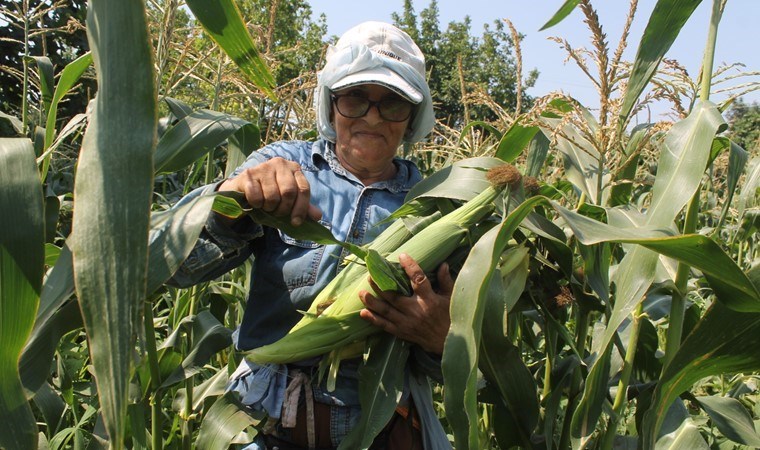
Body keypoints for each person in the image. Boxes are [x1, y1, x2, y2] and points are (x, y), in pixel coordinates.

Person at [170, 21, 452, 449]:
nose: (372, 116)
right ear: (332, 103)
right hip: (263, 425)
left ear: (412, 116)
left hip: (377, 430)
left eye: (393, 103)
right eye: (356, 98)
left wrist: (440, 340)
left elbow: (467, 366)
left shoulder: (438, 208)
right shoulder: (280, 165)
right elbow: (176, 266)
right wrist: (231, 204)